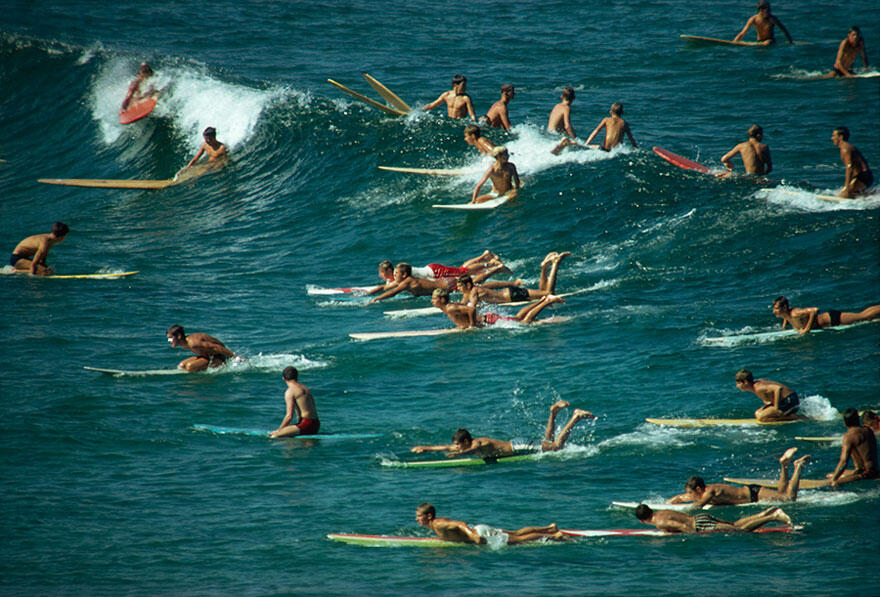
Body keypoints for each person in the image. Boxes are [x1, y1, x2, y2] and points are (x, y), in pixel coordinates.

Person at [411, 400, 595, 457]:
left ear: (466, 441)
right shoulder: (464, 445)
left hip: (518, 447)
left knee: (556, 447)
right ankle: (553, 413)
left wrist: (458, 455)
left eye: (459, 445)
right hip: (516, 443)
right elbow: (444, 447)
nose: (456, 447)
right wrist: (425, 448)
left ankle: (575, 417)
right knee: (547, 442)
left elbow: (472, 450)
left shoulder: (476, 443)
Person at [668, 447, 810, 507]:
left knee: (789, 499)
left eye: (691, 492)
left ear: (698, 489)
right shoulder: (702, 491)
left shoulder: (709, 492)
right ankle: (784, 465)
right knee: (781, 492)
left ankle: (798, 467)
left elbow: (699, 505)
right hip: (750, 493)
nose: (689, 495)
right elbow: (682, 497)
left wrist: (683, 511)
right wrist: (673, 501)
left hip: (754, 494)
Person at [415, 503, 571, 545]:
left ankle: (554, 535)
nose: (417, 519)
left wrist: (472, 536)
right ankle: (549, 528)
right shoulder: (434, 524)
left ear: (429, 516)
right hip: (481, 529)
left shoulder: (438, 523)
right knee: (516, 533)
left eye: (419, 516)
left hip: (481, 534)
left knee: (519, 540)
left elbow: (459, 524)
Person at [457, 251, 570, 305]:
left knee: (549, 293)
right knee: (543, 292)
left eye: (460, 286)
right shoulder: (473, 290)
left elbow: (471, 307)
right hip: (510, 292)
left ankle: (555, 264)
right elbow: (463, 304)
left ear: (467, 285)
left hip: (512, 296)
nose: (458, 289)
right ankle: (544, 268)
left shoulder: (473, 292)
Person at [431, 287, 565, 329]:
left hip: (488, 320)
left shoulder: (450, 308)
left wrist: (472, 326)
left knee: (525, 322)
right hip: (489, 318)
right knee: (518, 318)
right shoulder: (450, 307)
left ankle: (546, 302)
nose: (432, 301)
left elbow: (471, 310)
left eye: (434, 299)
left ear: (442, 300)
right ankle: (543, 300)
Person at [635, 504, 792, 534]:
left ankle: (773, 516)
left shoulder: (659, 522)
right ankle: (764, 513)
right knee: (734, 524)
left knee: (740, 531)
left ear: (643, 520)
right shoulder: (662, 511)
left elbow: (681, 526)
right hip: (700, 517)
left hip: (700, 525)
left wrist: (694, 537)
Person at [772, 296, 880, 333]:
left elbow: (814, 310)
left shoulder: (795, 313)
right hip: (830, 321)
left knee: (864, 316)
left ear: (785, 308)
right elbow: (787, 316)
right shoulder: (787, 315)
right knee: (865, 318)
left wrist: (807, 329)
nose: (774, 311)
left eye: (776, 309)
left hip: (832, 319)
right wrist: (784, 325)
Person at [827, 408, 878, 486]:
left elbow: (843, 462)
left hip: (865, 474)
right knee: (829, 474)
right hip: (874, 470)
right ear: (858, 420)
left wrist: (834, 479)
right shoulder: (868, 430)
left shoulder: (849, 437)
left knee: (834, 482)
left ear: (845, 423)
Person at [269, 366, 319, 438]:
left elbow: (289, 416)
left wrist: (279, 430)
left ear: (284, 379)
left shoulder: (290, 392)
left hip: (306, 425)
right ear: (297, 377)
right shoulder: (305, 388)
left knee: (274, 436)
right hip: (316, 424)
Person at [166, 324, 240, 372]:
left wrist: (235, 357)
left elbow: (217, 347)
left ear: (179, 336)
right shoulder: (183, 343)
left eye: (170, 338)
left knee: (190, 367)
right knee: (181, 366)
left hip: (220, 357)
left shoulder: (194, 343)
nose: (168, 341)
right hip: (208, 356)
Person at [734, 369, 800, 421]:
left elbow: (777, 388)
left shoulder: (759, 388)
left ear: (745, 382)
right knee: (757, 413)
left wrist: (776, 408)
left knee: (762, 417)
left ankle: (792, 417)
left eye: (738, 383)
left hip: (790, 401)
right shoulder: (756, 385)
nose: (737, 386)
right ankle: (784, 414)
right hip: (786, 400)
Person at [830, 126, 873, 198]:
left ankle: (872, 197)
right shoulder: (844, 147)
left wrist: (846, 188)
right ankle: (871, 195)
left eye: (834, 136)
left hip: (864, 177)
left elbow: (850, 167)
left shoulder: (846, 149)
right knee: (846, 194)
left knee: (845, 195)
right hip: (859, 176)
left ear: (840, 137)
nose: (831, 138)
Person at [548, 87, 577, 154]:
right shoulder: (567, 108)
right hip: (555, 134)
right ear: (574, 98)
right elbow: (567, 126)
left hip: (549, 132)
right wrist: (575, 139)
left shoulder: (557, 106)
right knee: (568, 141)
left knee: (566, 135)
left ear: (561, 97)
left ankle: (559, 146)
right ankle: (556, 151)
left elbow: (560, 125)